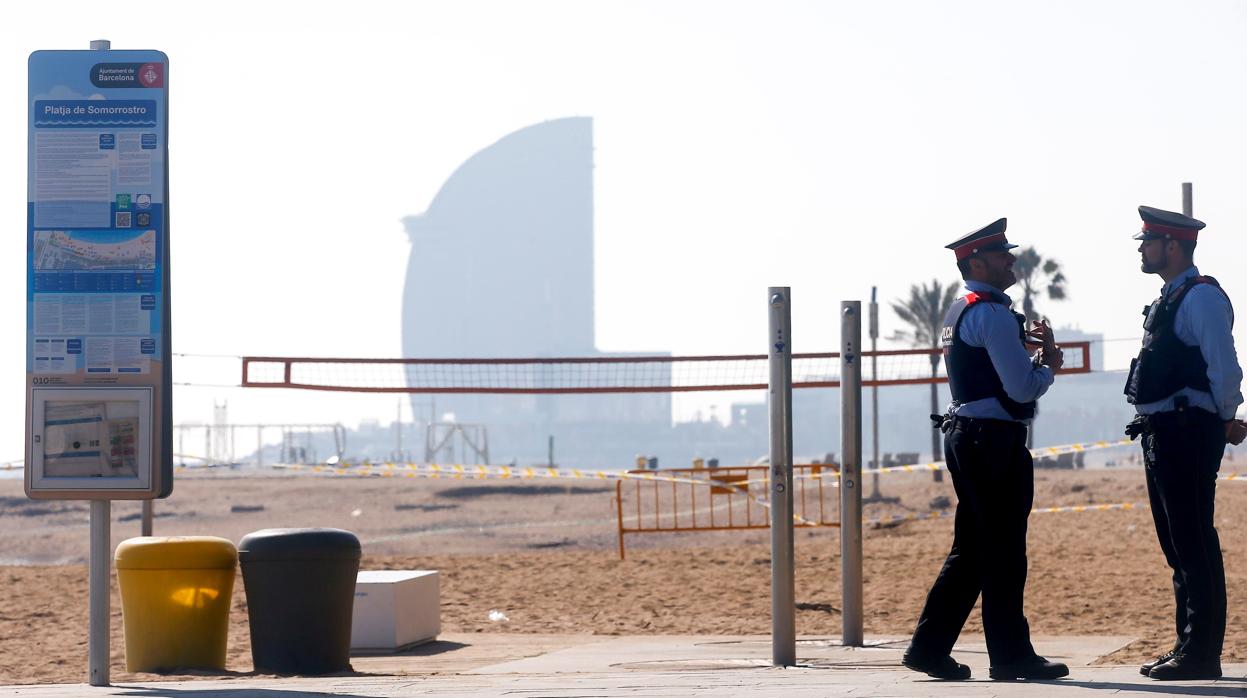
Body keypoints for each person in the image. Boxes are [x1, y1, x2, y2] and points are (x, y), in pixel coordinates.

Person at [902, 218, 1069, 681]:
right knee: (1004, 550)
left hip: (968, 435)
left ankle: (929, 647)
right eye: (1001, 255)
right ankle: (1011, 655)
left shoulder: (962, 309)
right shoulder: (992, 313)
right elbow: (1020, 390)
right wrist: (1048, 368)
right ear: (976, 261)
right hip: (992, 441)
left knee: (973, 549)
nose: (1011, 260)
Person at [1124, 206, 1246, 681]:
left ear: (1173, 246)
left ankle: (1202, 653)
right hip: (1164, 431)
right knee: (1178, 544)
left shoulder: (1200, 299)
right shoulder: (1170, 298)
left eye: (1148, 241)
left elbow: (1225, 367)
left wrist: (1224, 418)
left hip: (1188, 430)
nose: (1142, 248)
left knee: (1194, 540)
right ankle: (1187, 645)